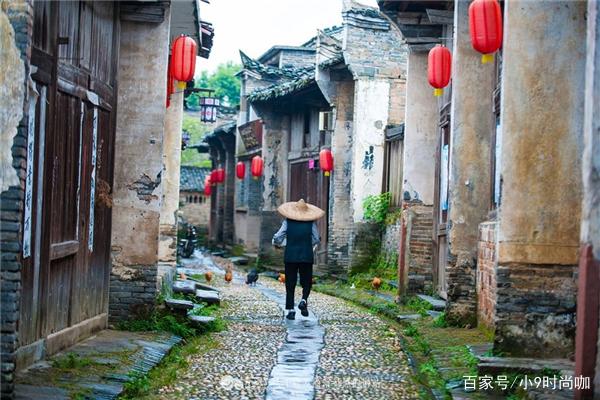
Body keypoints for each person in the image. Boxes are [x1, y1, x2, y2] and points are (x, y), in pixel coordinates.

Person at [272, 199, 324, 320]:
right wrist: (307, 244)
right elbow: (316, 239)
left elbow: (278, 237)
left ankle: (291, 310)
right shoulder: (311, 223)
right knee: (307, 281)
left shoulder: (287, 222)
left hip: (290, 256)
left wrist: (280, 242)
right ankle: (303, 300)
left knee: (290, 282)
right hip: (306, 256)